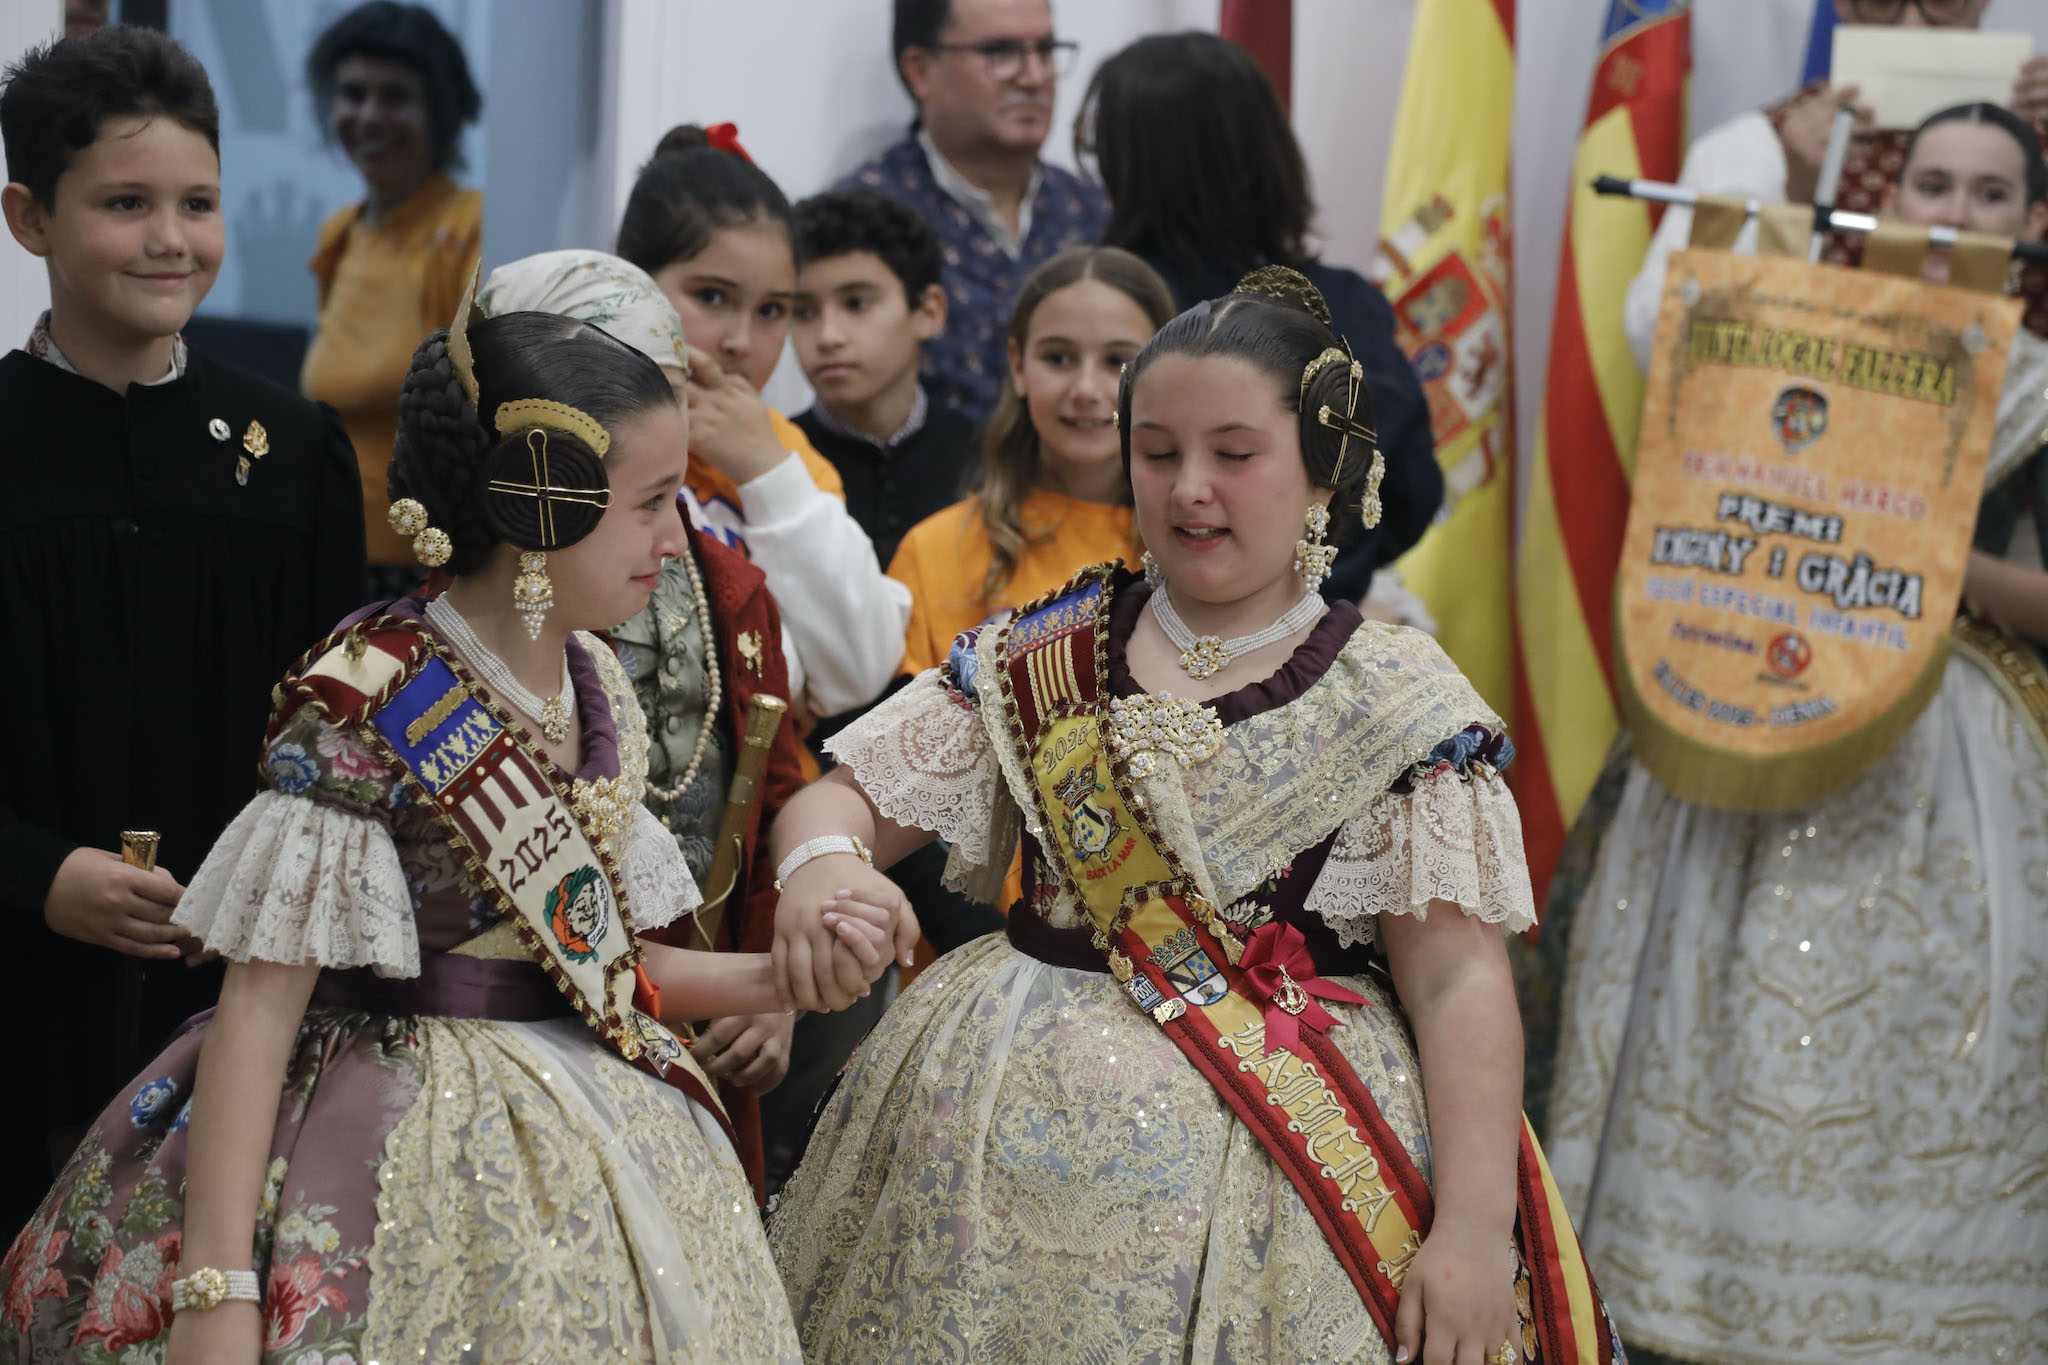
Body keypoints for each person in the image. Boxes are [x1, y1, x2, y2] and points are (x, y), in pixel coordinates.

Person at [0, 298, 910, 1362]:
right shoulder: (370, 690)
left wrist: (780, 980)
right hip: (376, 1141)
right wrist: (219, 1290)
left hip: (591, 1131)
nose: (676, 543)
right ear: (540, 505)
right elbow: (255, 1008)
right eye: (653, 504)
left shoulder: (592, 679)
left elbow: (599, 960)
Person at [765, 267, 1622, 1365]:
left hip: (1278, 1187)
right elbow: (840, 802)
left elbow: (1457, 980)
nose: (1188, 489)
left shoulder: (1399, 699)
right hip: (985, 1147)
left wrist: (1467, 1230)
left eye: (1233, 453)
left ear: (1321, 471)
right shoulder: (1043, 652)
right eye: (1158, 452)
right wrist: (825, 866)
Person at [1539, 104, 2048, 1365]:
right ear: (1884, 194)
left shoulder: (2036, 382)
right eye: (1929, 181)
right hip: (1746, 728)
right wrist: (1745, 158)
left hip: (1953, 757)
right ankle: (1686, 1292)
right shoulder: (1786, 332)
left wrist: (1924, 554)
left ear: (2032, 224)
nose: (1951, 214)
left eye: (1989, 194)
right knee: (1710, 1011)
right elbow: (1665, 335)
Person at [0, 25, 365, 1242]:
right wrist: (38, 875)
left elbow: (336, 741)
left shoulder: (293, 455)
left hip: (232, 997)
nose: (170, 238)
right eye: (124, 201)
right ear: (29, 217)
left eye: (198, 202)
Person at [477, 248, 817, 1201]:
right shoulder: (431, 659)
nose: (669, 520)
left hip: (697, 1015)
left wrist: (773, 982)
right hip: (502, 1049)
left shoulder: (730, 589)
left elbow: (771, 787)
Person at [1083, 29, 1441, 605]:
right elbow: (1411, 492)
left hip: (1137, 635)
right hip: (1324, 624)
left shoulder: (1112, 307)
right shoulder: (1347, 306)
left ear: (1129, 167)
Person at [618, 124, 911, 723]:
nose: (740, 342)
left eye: (774, 310)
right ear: (631, 283)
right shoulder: (573, 430)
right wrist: (790, 670)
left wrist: (765, 471)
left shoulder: (789, 454)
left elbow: (858, 671)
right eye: (712, 296)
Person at [1623, 0, 2048, 370]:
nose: (1912, 26)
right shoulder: (1759, 146)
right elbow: (1660, 347)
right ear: (1843, 3)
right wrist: (1788, 195)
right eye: (1882, 2)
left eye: (1940, 1)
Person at [888, 245, 1172, 681]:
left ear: (1164, 372)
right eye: (1058, 358)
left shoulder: (1194, 544)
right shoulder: (935, 552)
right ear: (1018, 364)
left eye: (1117, 361)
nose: (1085, 389)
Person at [840, 0, 1107, 423]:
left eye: (1045, 50)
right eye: (1001, 53)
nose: (1035, 77)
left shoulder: (1096, 214)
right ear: (920, 70)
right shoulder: (862, 221)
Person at [300, 1, 482, 601]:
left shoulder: (467, 230)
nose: (369, 115)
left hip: (428, 577)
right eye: (352, 92)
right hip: (331, 553)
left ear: (442, 111)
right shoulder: (340, 236)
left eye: (396, 96)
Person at [790, 187, 981, 572]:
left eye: (856, 303)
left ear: (928, 311)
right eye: (803, 311)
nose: (828, 336)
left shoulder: (986, 458)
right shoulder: (778, 459)